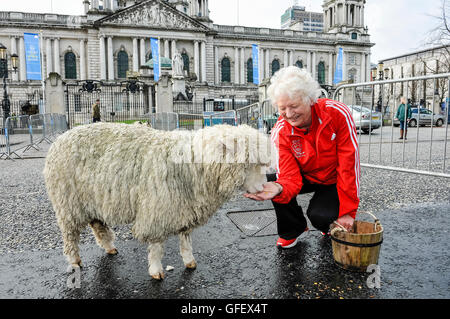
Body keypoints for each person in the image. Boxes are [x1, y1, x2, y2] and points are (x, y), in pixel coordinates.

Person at [244, 66, 360, 249]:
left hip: (333, 178)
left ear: (310, 100)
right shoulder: (280, 132)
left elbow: (349, 166)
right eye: (282, 108)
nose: (289, 114)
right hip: (304, 176)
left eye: (294, 106)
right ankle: (292, 229)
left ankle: (328, 223)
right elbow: (290, 176)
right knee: (273, 180)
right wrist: (279, 188)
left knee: (321, 217)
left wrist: (347, 212)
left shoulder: (337, 113)